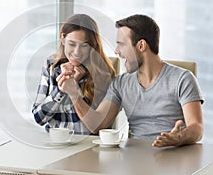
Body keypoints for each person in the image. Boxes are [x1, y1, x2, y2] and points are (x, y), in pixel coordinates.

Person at [57, 14, 204, 147]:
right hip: (134, 158)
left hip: (174, 157)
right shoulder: (120, 84)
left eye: (121, 44)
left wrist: (179, 137)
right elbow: (97, 125)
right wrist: (74, 93)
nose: (116, 51)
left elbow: (197, 127)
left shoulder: (182, 78)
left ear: (141, 46)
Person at [32, 14, 116, 134]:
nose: (77, 52)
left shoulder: (102, 73)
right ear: (63, 39)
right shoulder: (50, 66)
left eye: (84, 46)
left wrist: (74, 90)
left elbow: (97, 127)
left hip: (88, 146)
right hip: (56, 145)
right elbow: (39, 118)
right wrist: (60, 91)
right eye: (72, 44)